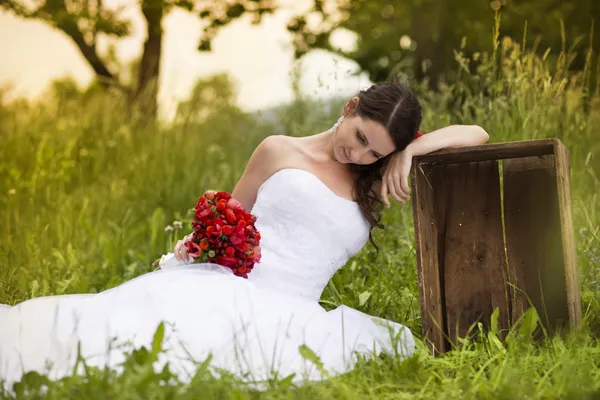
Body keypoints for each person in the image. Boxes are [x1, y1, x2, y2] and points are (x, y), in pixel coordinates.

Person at [0, 82, 489, 388]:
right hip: (233, 285)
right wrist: (193, 251)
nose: (359, 155)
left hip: (298, 310)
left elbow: (477, 134)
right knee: (130, 338)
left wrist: (407, 155)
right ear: (350, 106)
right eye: (360, 137)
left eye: (375, 152)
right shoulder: (278, 150)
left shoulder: (375, 178)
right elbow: (232, 216)